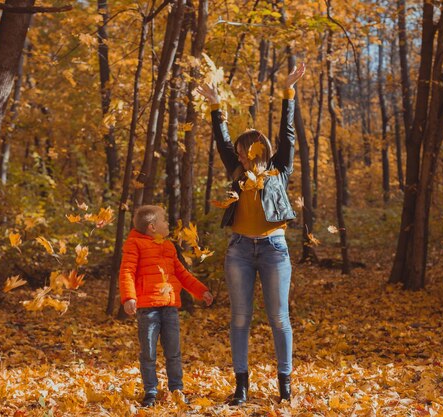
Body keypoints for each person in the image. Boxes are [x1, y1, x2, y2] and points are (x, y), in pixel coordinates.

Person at [196, 62, 305, 405]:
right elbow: (222, 140)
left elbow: (288, 132)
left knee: (278, 318)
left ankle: (284, 385)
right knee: (240, 318)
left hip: (274, 248)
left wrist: (289, 92)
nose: (240, 157)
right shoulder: (237, 172)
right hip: (240, 250)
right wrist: (216, 106)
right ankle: (241, 386)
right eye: (239, 154)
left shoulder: (279, 170)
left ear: (260, 150)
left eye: (246, 153)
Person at [119, 205, 214, 407]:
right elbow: (127, 271)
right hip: (147, 309)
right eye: (164, 221)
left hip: (170, 306)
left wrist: (201, 290)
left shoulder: (169, 247)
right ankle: (151, 392)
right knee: (149, 353)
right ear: (152, 227)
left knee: (173, 352)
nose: (168, 224)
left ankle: (176, 389)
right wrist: (129, 297)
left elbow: (182, 274)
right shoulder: (134, 244)